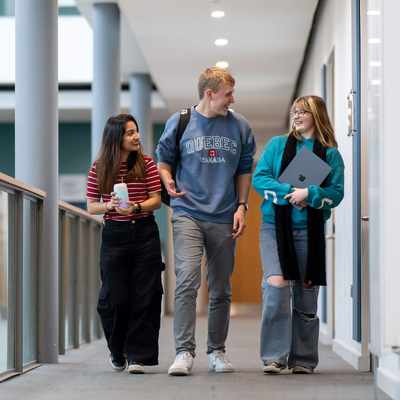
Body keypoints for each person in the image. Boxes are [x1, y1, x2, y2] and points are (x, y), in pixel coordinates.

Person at [156, 67, 256, 376]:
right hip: (187, 211)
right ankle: (184, 352)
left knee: (221, 286)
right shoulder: (181, 121)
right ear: (209, 94)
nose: (232, 99)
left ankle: (217, 351)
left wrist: (242, 207)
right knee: (187, 279)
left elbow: (243, 170)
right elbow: (163, 159)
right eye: (228, 94)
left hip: (224, 215)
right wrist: (168, 180)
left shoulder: (239, 126)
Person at [252, 95, 344, 375]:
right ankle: (274, 356)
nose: (297, 115)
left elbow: (336, 193)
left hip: (309, 230)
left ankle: (303, 358)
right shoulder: (277, 145)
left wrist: (311, 193)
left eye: (303, 111)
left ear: (317, 115)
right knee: (277, 284)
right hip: (274, 227)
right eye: (294, 111)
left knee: (305, 292)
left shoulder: (330, 154)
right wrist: (290, 192)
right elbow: (260, 178)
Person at [86, 113, 163, 374]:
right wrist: (109, 205)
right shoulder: (99, 167)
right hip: (115, 235)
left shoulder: (148, 164)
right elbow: (91, 205)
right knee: (113, 298)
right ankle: (117, 350)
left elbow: (156, 199)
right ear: (115, 138)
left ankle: (138, 356)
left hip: (144, 232)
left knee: (146, 295)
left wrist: (137, 207)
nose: (136, 137)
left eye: (136, 131)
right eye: (130, 133)